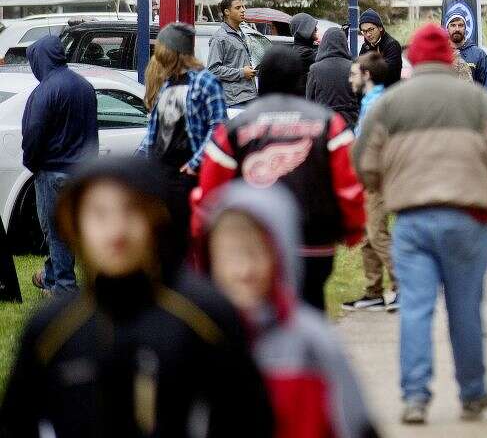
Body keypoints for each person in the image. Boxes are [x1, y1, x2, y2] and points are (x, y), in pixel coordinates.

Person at [0, 155, 275, 436]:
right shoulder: (53, 327)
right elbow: (18, 422)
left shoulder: (204, 316)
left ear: (156, 219)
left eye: (131, 211)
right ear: (75, 224)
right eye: (99, 214)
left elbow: (249, 419)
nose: (116, 231)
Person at [353, 24, 487, 425]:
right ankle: (473, 392)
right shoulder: (479, 101)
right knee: (465, 310)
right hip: (466, 220)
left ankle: (414, 397)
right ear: (449, 56)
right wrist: (486, 183)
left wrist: (389, 186)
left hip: (411, 220)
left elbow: (365, 164)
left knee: (415, 308)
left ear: (413, 59)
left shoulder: (389, 105)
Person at [199, 181, 380, 438]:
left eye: (256, 253)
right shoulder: (199, 338)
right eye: (229, 255)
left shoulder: (313, 344)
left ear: (281, 254)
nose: (243, 271)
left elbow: (354, 423)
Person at [194, 46, 366, 312]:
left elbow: (210, 195)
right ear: (301, 79)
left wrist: (205, 244)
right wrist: (353, 230)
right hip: (314, 244)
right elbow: (349, 185)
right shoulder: (329, 124)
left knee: (255, 318)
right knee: (311, 310)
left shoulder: (235, 129)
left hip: (253, 245)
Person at [137, 22, 227, 269]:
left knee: (190, 241)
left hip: (188, 176)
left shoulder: (206, 82)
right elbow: (152, 133)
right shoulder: (167, 85)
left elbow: (219, 127)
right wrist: (138, 164)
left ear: (172, 50)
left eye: (161, 47)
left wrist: (195, 163)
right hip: (162, 174)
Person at [21, 34, 98, 295]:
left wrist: (31, 162)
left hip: (53, 171)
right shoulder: (84, 87)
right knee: (71, 227)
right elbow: (91, 132)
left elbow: (33, 131)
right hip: (82, 171)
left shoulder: (45, 90)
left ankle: (64, 287)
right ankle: (53, 276)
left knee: (54, 230)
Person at [342, 52, 398, 311]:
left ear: (366, 75)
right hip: (366, 177)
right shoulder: (370, 102)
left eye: (354, 74)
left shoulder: (378, 105)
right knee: (367, 235)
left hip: (377, 178)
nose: (350, 78)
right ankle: (373, 291)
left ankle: (403, 288)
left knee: (377, 234)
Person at [208, 0, 258, 107]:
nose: (243, 10)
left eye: (243, 7)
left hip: (250, 96)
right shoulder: (220, 38)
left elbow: (241, 63)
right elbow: (213, 70)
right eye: (238, 7)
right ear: (227, 12)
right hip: (235, 101)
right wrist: (241, 73)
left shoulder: (243, 33)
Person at [307, 26, 359, 130]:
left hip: (324, 121)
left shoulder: (315, 69)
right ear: (344, 43)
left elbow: (309, 100)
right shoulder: (353, 66)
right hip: (350, 121)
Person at [446, 13, 487, 94]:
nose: (457, 29)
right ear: (447, 28)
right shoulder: (440, 54)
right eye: (453, 25)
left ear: (465, 28)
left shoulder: (478, 54)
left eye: (460, 25)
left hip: (472, 105)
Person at [358, 9, 403, 87]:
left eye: (371, 29)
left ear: (380, 28)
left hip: (389, 93)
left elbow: (385, 71)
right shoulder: (365, 47)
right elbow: (359, 68)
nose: (368, 34)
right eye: (364, 31)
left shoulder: (392, 45)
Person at [290, 12, 320, 85]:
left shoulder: (301, 49)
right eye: (312, 26)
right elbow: (325, 58)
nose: (316, 29)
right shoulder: (304, 53)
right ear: (303, 29)